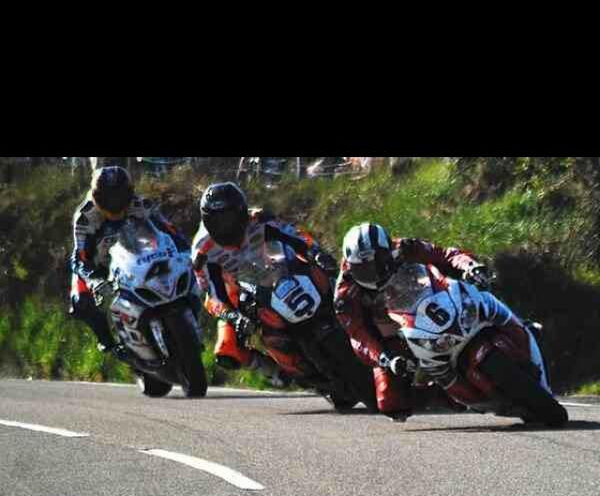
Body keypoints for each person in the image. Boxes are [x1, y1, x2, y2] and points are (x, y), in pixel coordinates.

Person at [333, 223, 493, 421]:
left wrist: (470, 267)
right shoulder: (344, 295)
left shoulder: (404, 247)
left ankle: (509, 323)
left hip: (432, 299)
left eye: (379, 262)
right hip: (393, 332)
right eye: (364, 269)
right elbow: (358, 335)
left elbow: (445, 254)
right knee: (390, 403)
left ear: (388, 251)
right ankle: (440, 394)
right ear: (351, 265)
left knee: (481, 287)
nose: (373, 272)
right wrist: (385, 357)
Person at [191, 182, 339, 386]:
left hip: (277, 269)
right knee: (227, 351)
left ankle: (346, 312)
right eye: (218, 221)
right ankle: (273, 370)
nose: (226, 226)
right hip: (238, 291)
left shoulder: (260, 219)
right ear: (207, 221)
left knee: (324, 272)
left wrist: (317, 252)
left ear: (242, 211)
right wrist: (232, 316)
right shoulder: (203, 252)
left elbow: (296, 236)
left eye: (230, 218)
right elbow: (211, 294)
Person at [70, 166, 197, 360]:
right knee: (81, 301)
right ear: (96, 196)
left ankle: (189, 324)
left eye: (119, 196)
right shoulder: (85, 217)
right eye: (108, 198)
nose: (114, 204)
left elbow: (171, 232)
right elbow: (80, 257)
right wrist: (94, 279)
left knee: (188, 278)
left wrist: (186, 252)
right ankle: (109, 342)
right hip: (99, 267)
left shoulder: (143, 204)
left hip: (140, 258)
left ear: (130, 193)